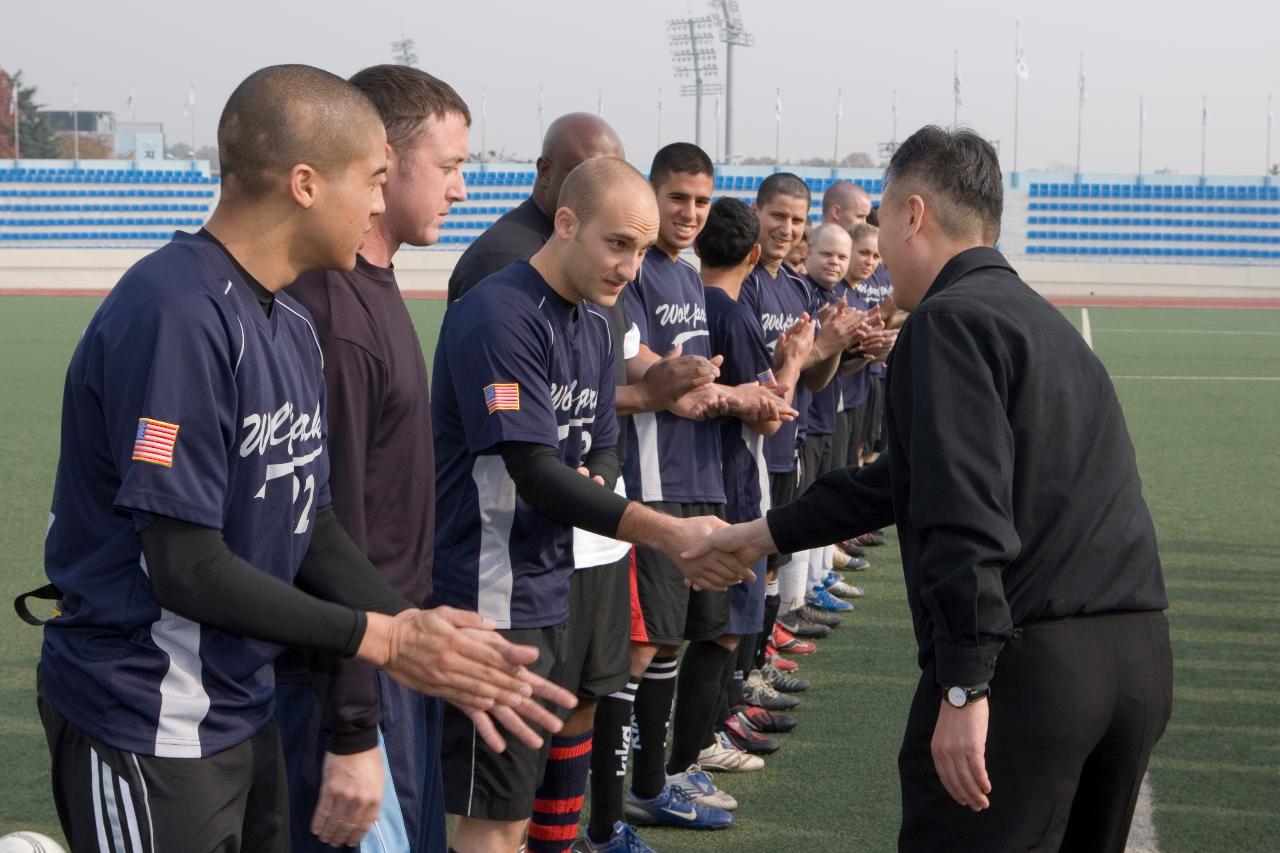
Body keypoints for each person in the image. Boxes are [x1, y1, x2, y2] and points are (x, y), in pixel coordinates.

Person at [33, 64, 575, 853]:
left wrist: (415, 621)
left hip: (239, 708)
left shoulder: (288, 319)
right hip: (144, 714)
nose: (379, 201)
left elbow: (310, 522)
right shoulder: (174, 312)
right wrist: (384, 641)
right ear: (306, 184)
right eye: (373, 179)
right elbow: (184, 563)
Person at [688, 125, 1173, 852]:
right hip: (1136, 661)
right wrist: (760, 535)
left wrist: (963, 685)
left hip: (1031, 666)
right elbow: (904, 479)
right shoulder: (1046, 324)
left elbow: (963, 515)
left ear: (914, 214)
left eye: (880, 217)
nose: (875, 237)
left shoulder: (947, 321)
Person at [430, 156, 754, 853]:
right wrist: (666, 531)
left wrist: (599, 481)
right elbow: (535, 470)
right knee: (489, 819)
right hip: (492, 596)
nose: (631, 267)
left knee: (523, 806)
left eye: (641, 249)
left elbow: (602, 445)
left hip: (555, 582)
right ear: (567, 223)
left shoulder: (599, 321)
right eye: (618, 244)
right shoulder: (497, 311)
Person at [277, 65, 469, 853]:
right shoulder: (333, 313)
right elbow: (328, 536)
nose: (461, 188)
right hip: (348, 677)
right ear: (383, 161)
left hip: (395, 658)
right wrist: (354, 721)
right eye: (450, 166)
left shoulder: (376, 289)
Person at [611, 144, 795, 836]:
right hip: (654, 484)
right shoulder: (633, 275)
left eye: (699, 200)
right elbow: (648, 373)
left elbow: (694, 386)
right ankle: (629, 788)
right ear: (650, 196)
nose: (687, 213)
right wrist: (728, 392)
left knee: (674, 640)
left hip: (702, 480)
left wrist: (737, 393)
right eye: (676, 198)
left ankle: (659, 776)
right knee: (644, 643)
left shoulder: (685, 278)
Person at [695, 196, 810, 763]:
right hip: (735, 480)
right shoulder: (734, 313)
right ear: (754, 252)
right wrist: (794, 359)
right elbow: (769, 413)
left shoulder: (694, 300)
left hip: (702, 477)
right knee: (725, 626)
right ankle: (709, 737)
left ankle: (709, 731)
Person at [740, 174, 860, 656]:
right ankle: (741, 682)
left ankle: (760, 661)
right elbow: (756, 373)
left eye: (796, 220)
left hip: (785, 444)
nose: (786, 229)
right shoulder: (743, 284)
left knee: (771, 562)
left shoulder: (796, 288)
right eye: (777, 216)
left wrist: (834, 344)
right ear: (756, 213)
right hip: (750, 446)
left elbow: (814, 379)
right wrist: (821, 348)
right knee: (745, 567)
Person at [446, 112, 624, 302]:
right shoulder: (503, 259)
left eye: (615, 180)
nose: (606, 192)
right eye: (590, 176)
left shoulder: (583, 249)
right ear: (546, 172)